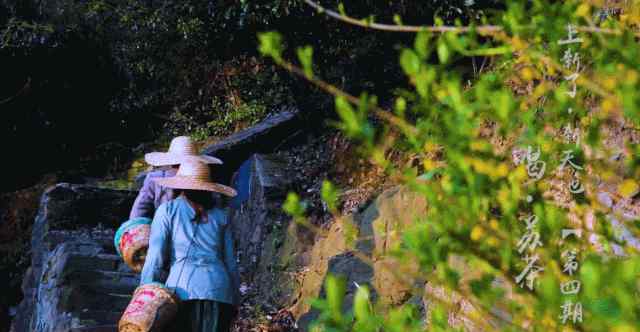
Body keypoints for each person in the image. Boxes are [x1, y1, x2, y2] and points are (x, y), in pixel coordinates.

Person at [140, 160, 240, 332]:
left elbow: (155, 257)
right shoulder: (221, 216)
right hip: (220, 292)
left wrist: (144, 295)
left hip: (182, 291)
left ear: (180, 185)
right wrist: (235, 299)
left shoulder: (167, 210)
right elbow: (230, 263)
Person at [130, 136, 222, 219]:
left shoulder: (155, 178)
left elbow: (139, 210)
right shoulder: (203, 177)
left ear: (170, 160)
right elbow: (215, 206)